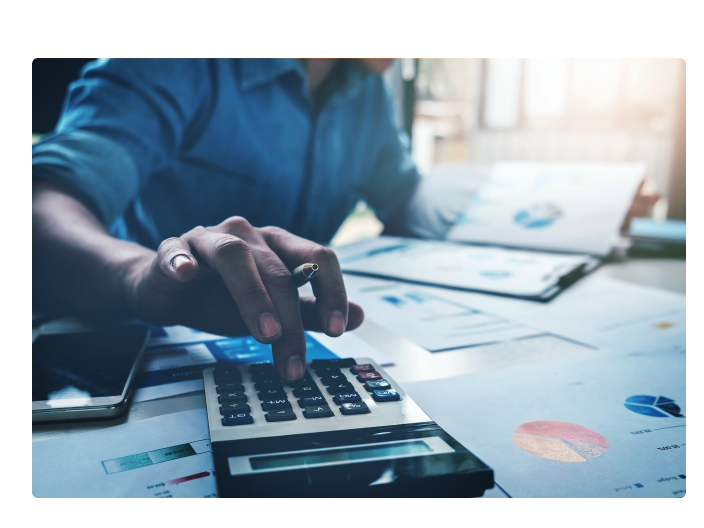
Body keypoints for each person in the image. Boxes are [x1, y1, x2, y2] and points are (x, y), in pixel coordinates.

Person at [32, 58, 657, 381]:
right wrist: (140, 273)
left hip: (306, 353)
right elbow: (39, 200)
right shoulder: (177, 62)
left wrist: (583, 207)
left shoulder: (367, 92)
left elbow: (410, 205)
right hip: (164, 355)